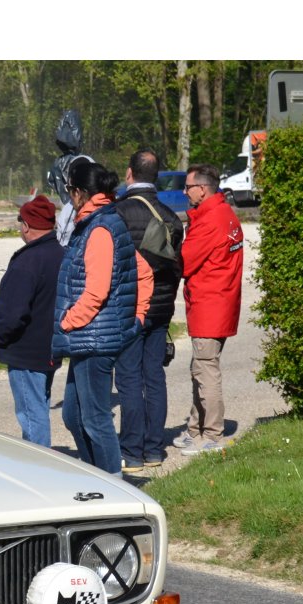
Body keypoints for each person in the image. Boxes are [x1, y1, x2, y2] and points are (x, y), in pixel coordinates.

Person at [49, 159, 142, 476]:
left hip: (94, 337)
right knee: (73, 415)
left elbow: (96, 292)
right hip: (88, 337)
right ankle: (95, 475)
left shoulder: (101, 229)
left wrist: (66, 322)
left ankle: (112, 484)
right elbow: (141, 270)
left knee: (95, 417)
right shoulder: (101, 221)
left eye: (69, 192)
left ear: (77, 193)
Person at [114, 149, 185, 474]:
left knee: (129, 380)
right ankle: (155, 448)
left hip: (130, 309)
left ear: (129, 173)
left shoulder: (119, 213)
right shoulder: (171, 217)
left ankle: (132, 452)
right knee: (154, 377)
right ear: (156, 176)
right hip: (161, 310)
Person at [176, 162, 244, 455]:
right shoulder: (226, 214)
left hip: (209, 305)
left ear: (202, 190)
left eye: (188, 187)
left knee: (206, 370)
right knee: (200, 368)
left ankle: (212, 435)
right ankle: (195, 429)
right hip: (221, 303)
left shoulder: (210, 221)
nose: (184, 191)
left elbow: (185, 262)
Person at [0, 194, 64, 446]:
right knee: (39, 407)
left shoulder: (28, 261)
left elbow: (12, 313)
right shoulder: (60, 255)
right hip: (50, 346)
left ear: (27, 226)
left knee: (32, 416)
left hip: (26, 351)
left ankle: (39, 469)